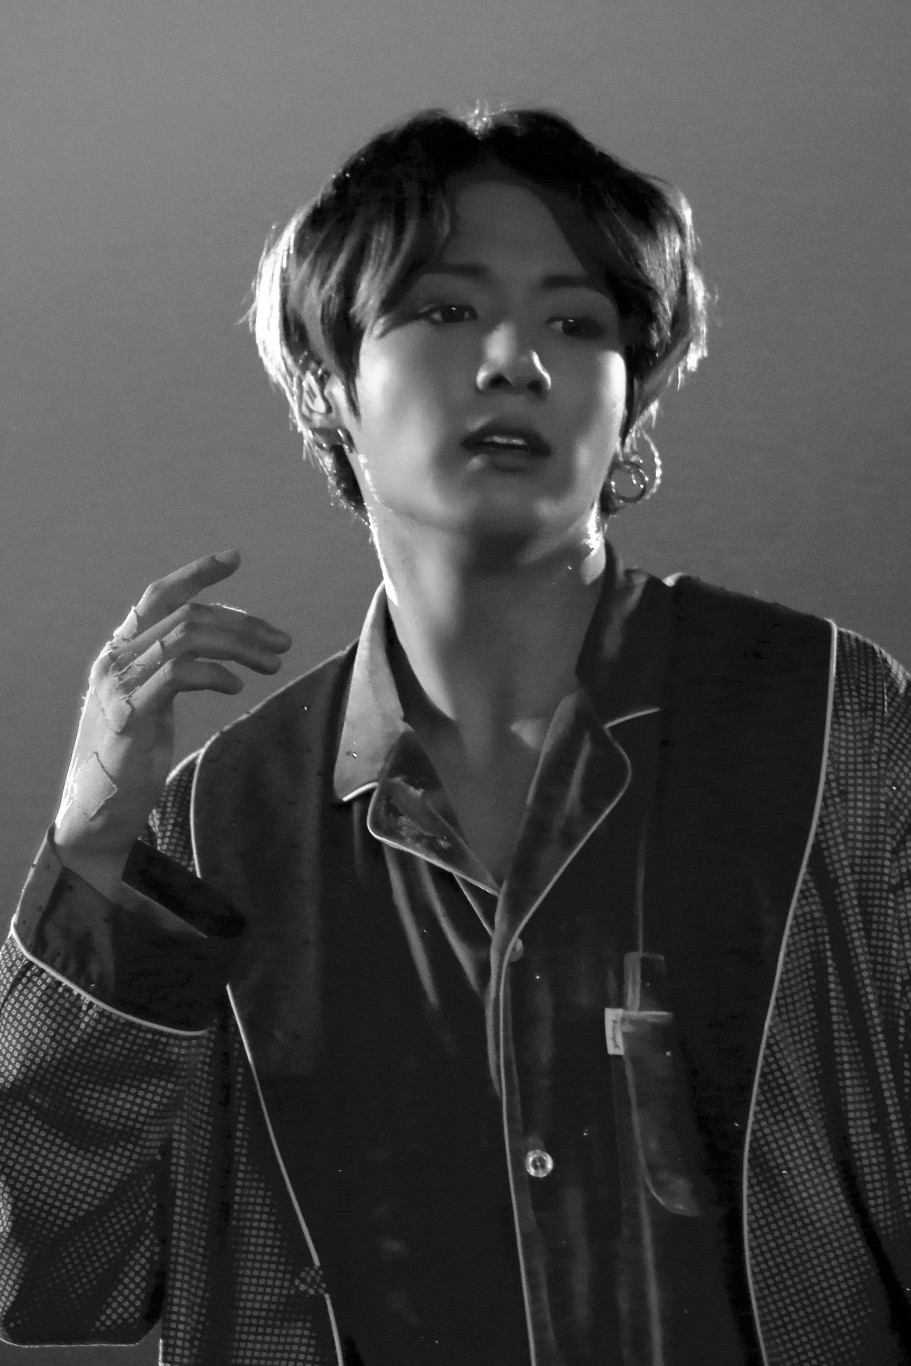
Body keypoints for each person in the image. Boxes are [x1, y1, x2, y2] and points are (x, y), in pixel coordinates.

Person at [1, 105, 910, 1366]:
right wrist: (94, 860)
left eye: (576, 323)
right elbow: (49, 1273)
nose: (515, 359)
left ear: (632, 400)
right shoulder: (211, 829)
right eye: (443, 308)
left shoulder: (824, 722)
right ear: (327, 385)